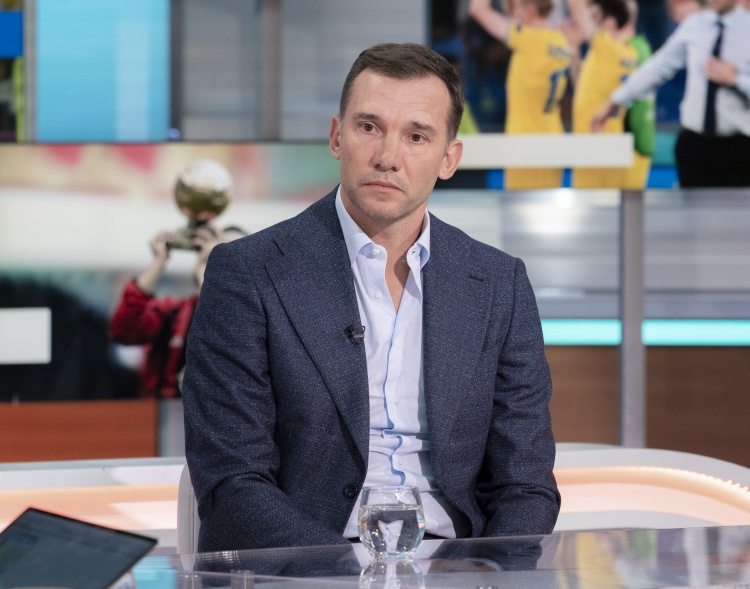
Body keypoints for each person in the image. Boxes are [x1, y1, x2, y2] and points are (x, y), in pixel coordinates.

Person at [182, 42, 560, 552]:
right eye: (368, 127)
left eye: (416, 136)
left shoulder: (498, 284)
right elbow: (232, 481)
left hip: (458, 564)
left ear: (449, 159)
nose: (387, 157)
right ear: (336, 137)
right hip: (305, 565)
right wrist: (341, 575)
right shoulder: (248, 272)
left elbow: (525, 483)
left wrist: (493, 574)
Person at [591, 0, 750, 187]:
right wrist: (615, 100)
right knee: (691, 206)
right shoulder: (695, 24)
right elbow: (659, 66)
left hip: (740, 147)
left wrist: (736, 80)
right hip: (695, 145)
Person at [109, 225, 244, 398]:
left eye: (230, 252)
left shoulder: (258, 317)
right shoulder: (175, 311)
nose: (220, 258)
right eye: (215, 251)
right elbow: (123, 331)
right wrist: (159, 262)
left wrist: (208, 281)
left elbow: (230, 335)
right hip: (166, 410)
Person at [469, 0, 572, 189]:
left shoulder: (528, 39)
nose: (511, 14)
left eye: (516, 8)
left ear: (530, 10)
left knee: (521, 204)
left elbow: (478, 10)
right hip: (552, 137)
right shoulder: (560, 40)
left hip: (525, 141)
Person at [569, 0, 640, 188]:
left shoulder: (608, 47)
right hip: (603, 144)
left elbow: (576, 6)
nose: (592, 19)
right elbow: (582, 87)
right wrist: (574, 53)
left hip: (597, 146)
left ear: (610, 23)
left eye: (597, 15)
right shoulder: (626, 52)